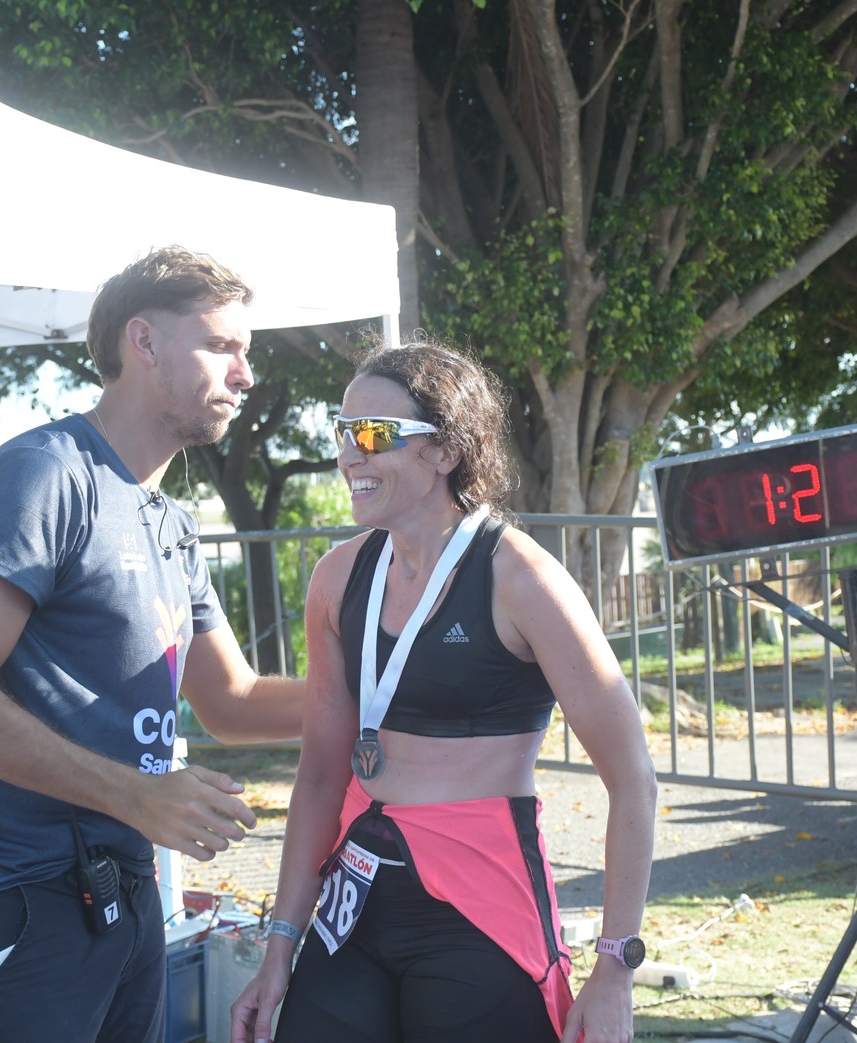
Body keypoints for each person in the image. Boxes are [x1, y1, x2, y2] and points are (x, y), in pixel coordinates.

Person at [0, 245, 305, 1043]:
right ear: (142, 342)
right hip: (2, 890)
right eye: (222, 345)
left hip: (115, 883)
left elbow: (231, 701)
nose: (244, 375)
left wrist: (396, 692)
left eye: (245, 353)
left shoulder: (171, 520)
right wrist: (131, 793)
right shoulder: (43, 473)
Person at [230, 340, 659, 1043]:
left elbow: (633, 779)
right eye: (341, 433)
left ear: (445, 450)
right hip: (357, 897)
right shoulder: (338, 578)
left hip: (479, 900)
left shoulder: (520, 577)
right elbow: (317, 777)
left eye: (372, 435)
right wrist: (279, 947)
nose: (349, 455)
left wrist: (614, 969)